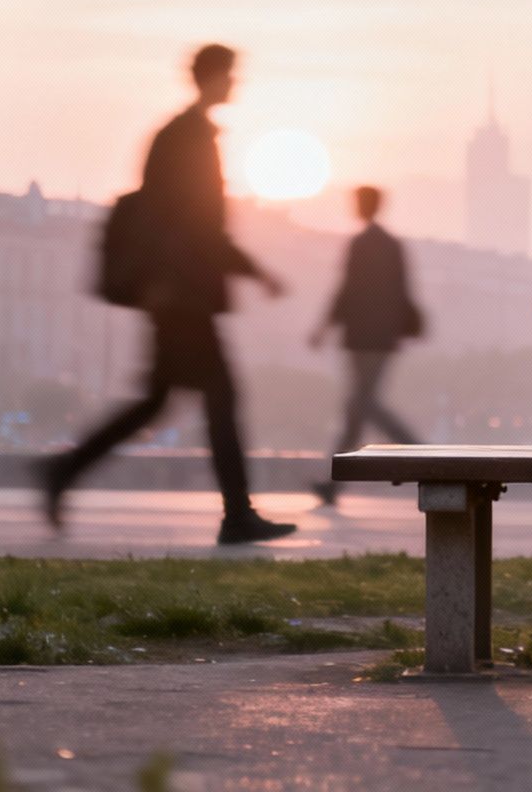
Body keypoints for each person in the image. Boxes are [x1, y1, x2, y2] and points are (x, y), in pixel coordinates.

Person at [39, 44, 297, 545]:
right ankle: (237, 513)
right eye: (230, 75)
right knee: (220, 397)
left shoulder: (183, 135)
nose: (235, 84)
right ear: (212, 77)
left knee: (156, 401)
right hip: (183, 294)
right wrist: (254, 270)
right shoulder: (189, 138)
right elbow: (190, 224)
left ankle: (65, 472)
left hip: (178, 291)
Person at [308, 185, 422, 505]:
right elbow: (402, 291)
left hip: (361, 338)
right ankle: (334, 486)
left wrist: (323, 327)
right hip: (383, 338)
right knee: (358, 408)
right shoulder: (392, 245)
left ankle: (416, 454)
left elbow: (345, 291)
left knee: (361, 405)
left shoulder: (360, 245)